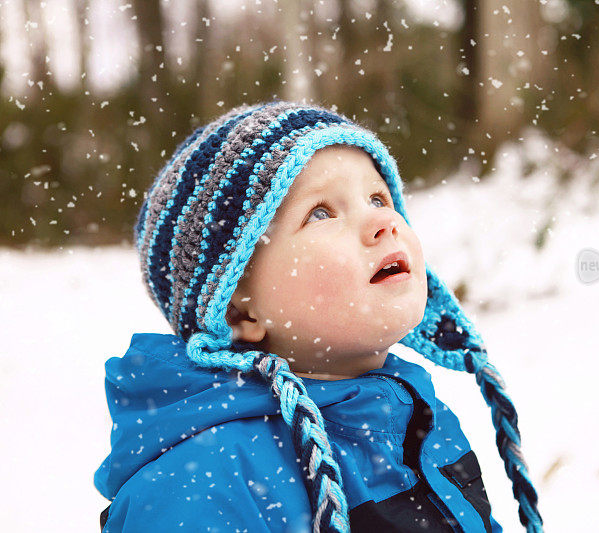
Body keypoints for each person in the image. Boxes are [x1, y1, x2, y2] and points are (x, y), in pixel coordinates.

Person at [94, 101, 544, 533]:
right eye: (321, 212)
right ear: (236, 309)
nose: (382, 223)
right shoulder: (205, 482)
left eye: (378, 198)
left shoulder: (410, 413)